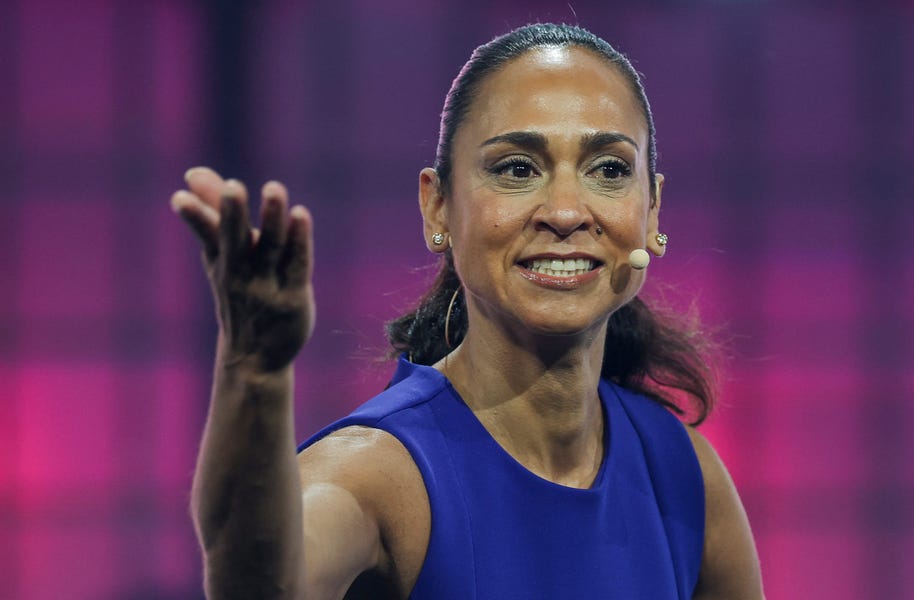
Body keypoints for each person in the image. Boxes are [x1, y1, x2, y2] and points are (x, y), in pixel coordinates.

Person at [171, 23, 762, 599]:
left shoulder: (682, 474)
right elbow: (261, 585)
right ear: (438, 207)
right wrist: (254, 374)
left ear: (652, 209)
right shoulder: (379, 471)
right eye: (517, 169)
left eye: (608, 169)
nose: (564, 212)